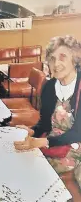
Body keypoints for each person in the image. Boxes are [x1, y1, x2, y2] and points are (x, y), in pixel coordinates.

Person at [14, 35, 81, 188]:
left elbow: (78, 132)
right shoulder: (49, 87)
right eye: (52, 59)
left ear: (74, 59)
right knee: (20, 160)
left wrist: (42, 142)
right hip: (53, 142)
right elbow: (44, 124)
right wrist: (31, 131)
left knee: (33, 173)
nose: (56, 64)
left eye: (62, 57)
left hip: (76, 144)